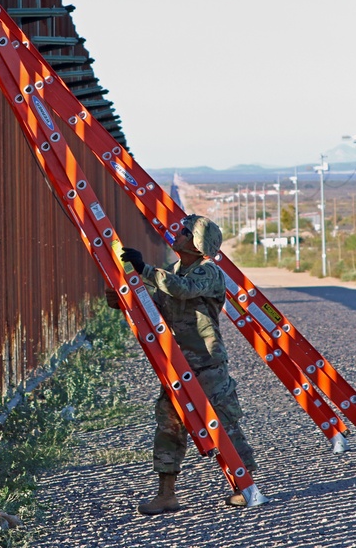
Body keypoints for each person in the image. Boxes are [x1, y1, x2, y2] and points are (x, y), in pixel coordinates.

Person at [108, 214, 257, 514]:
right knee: (169, 424)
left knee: (225, 425)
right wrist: (124, 299)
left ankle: (247, 487)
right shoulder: (175, 271)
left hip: (207, 366)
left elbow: (182, 289)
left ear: (199, 243)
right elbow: (159, 305)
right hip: (179, 365)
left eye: (185, 232)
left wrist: (145, 270)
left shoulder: (209, 272)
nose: (178, 233)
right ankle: (166, 495)